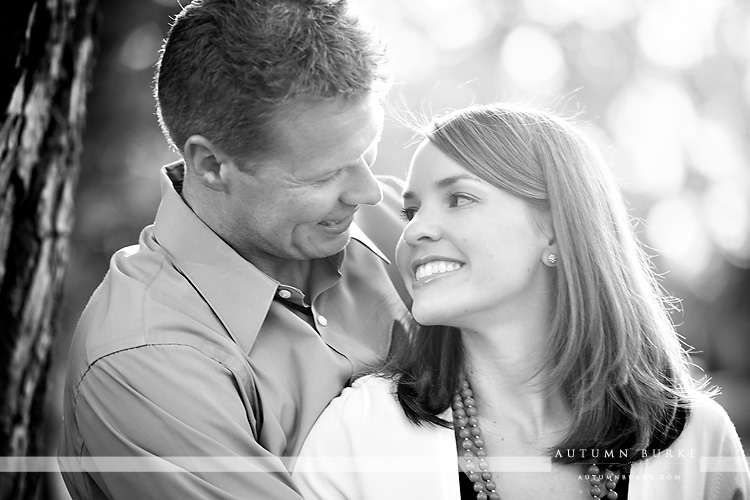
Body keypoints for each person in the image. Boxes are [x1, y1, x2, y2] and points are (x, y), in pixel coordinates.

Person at [292, 103, 750, 500]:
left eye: (459, 198)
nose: (413, 231)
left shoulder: (698, 440)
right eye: (411, 212)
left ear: (555, 227)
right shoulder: (361, 432)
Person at [58, 0, 409, 499]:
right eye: (325, 174)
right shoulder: (145, 362)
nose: (370, 191)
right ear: (210, 166)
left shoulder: (401, 221)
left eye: (367, 152)